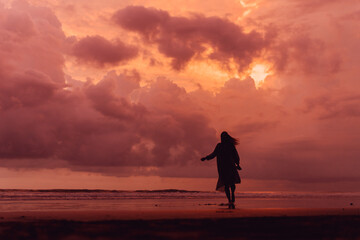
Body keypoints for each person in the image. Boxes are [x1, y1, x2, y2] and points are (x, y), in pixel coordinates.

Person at [201, 131, 241, 209]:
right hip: (226, 167)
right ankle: (230, 199)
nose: (222, 138)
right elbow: (214, 154)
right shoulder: (222, 146)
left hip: (226, 167)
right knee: (229, 183)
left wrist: (238, 164)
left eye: (223, 137)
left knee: (229, 183)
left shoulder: (227, 146)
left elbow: (235, 155)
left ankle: (231, 196)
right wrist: (206, 158)